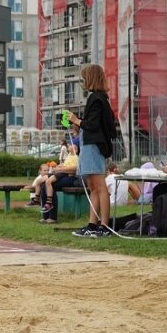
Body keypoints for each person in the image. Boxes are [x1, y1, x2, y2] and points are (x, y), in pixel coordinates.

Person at [67, 64, 117, 237]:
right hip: (91, 145)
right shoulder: (100, 98)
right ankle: (92, 224)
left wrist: (77, 120)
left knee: (99, 186)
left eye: (84, 78)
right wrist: (78, 123)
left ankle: (104, 225)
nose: (82, 82)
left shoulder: (96, 98)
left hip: (93, 146)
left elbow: (92, 125)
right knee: (93, 187)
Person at [39, 144, 80, 223]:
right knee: (44, 185)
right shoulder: (68, 156)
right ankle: (46, 216)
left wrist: (61, 169)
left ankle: (53, 217)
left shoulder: (76, 157)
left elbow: (75, 169)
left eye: (72, 145)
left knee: (50, 185)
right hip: (63, 175)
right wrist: (59, 168)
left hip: (72, 178)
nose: (69, 146)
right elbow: (63, 165)